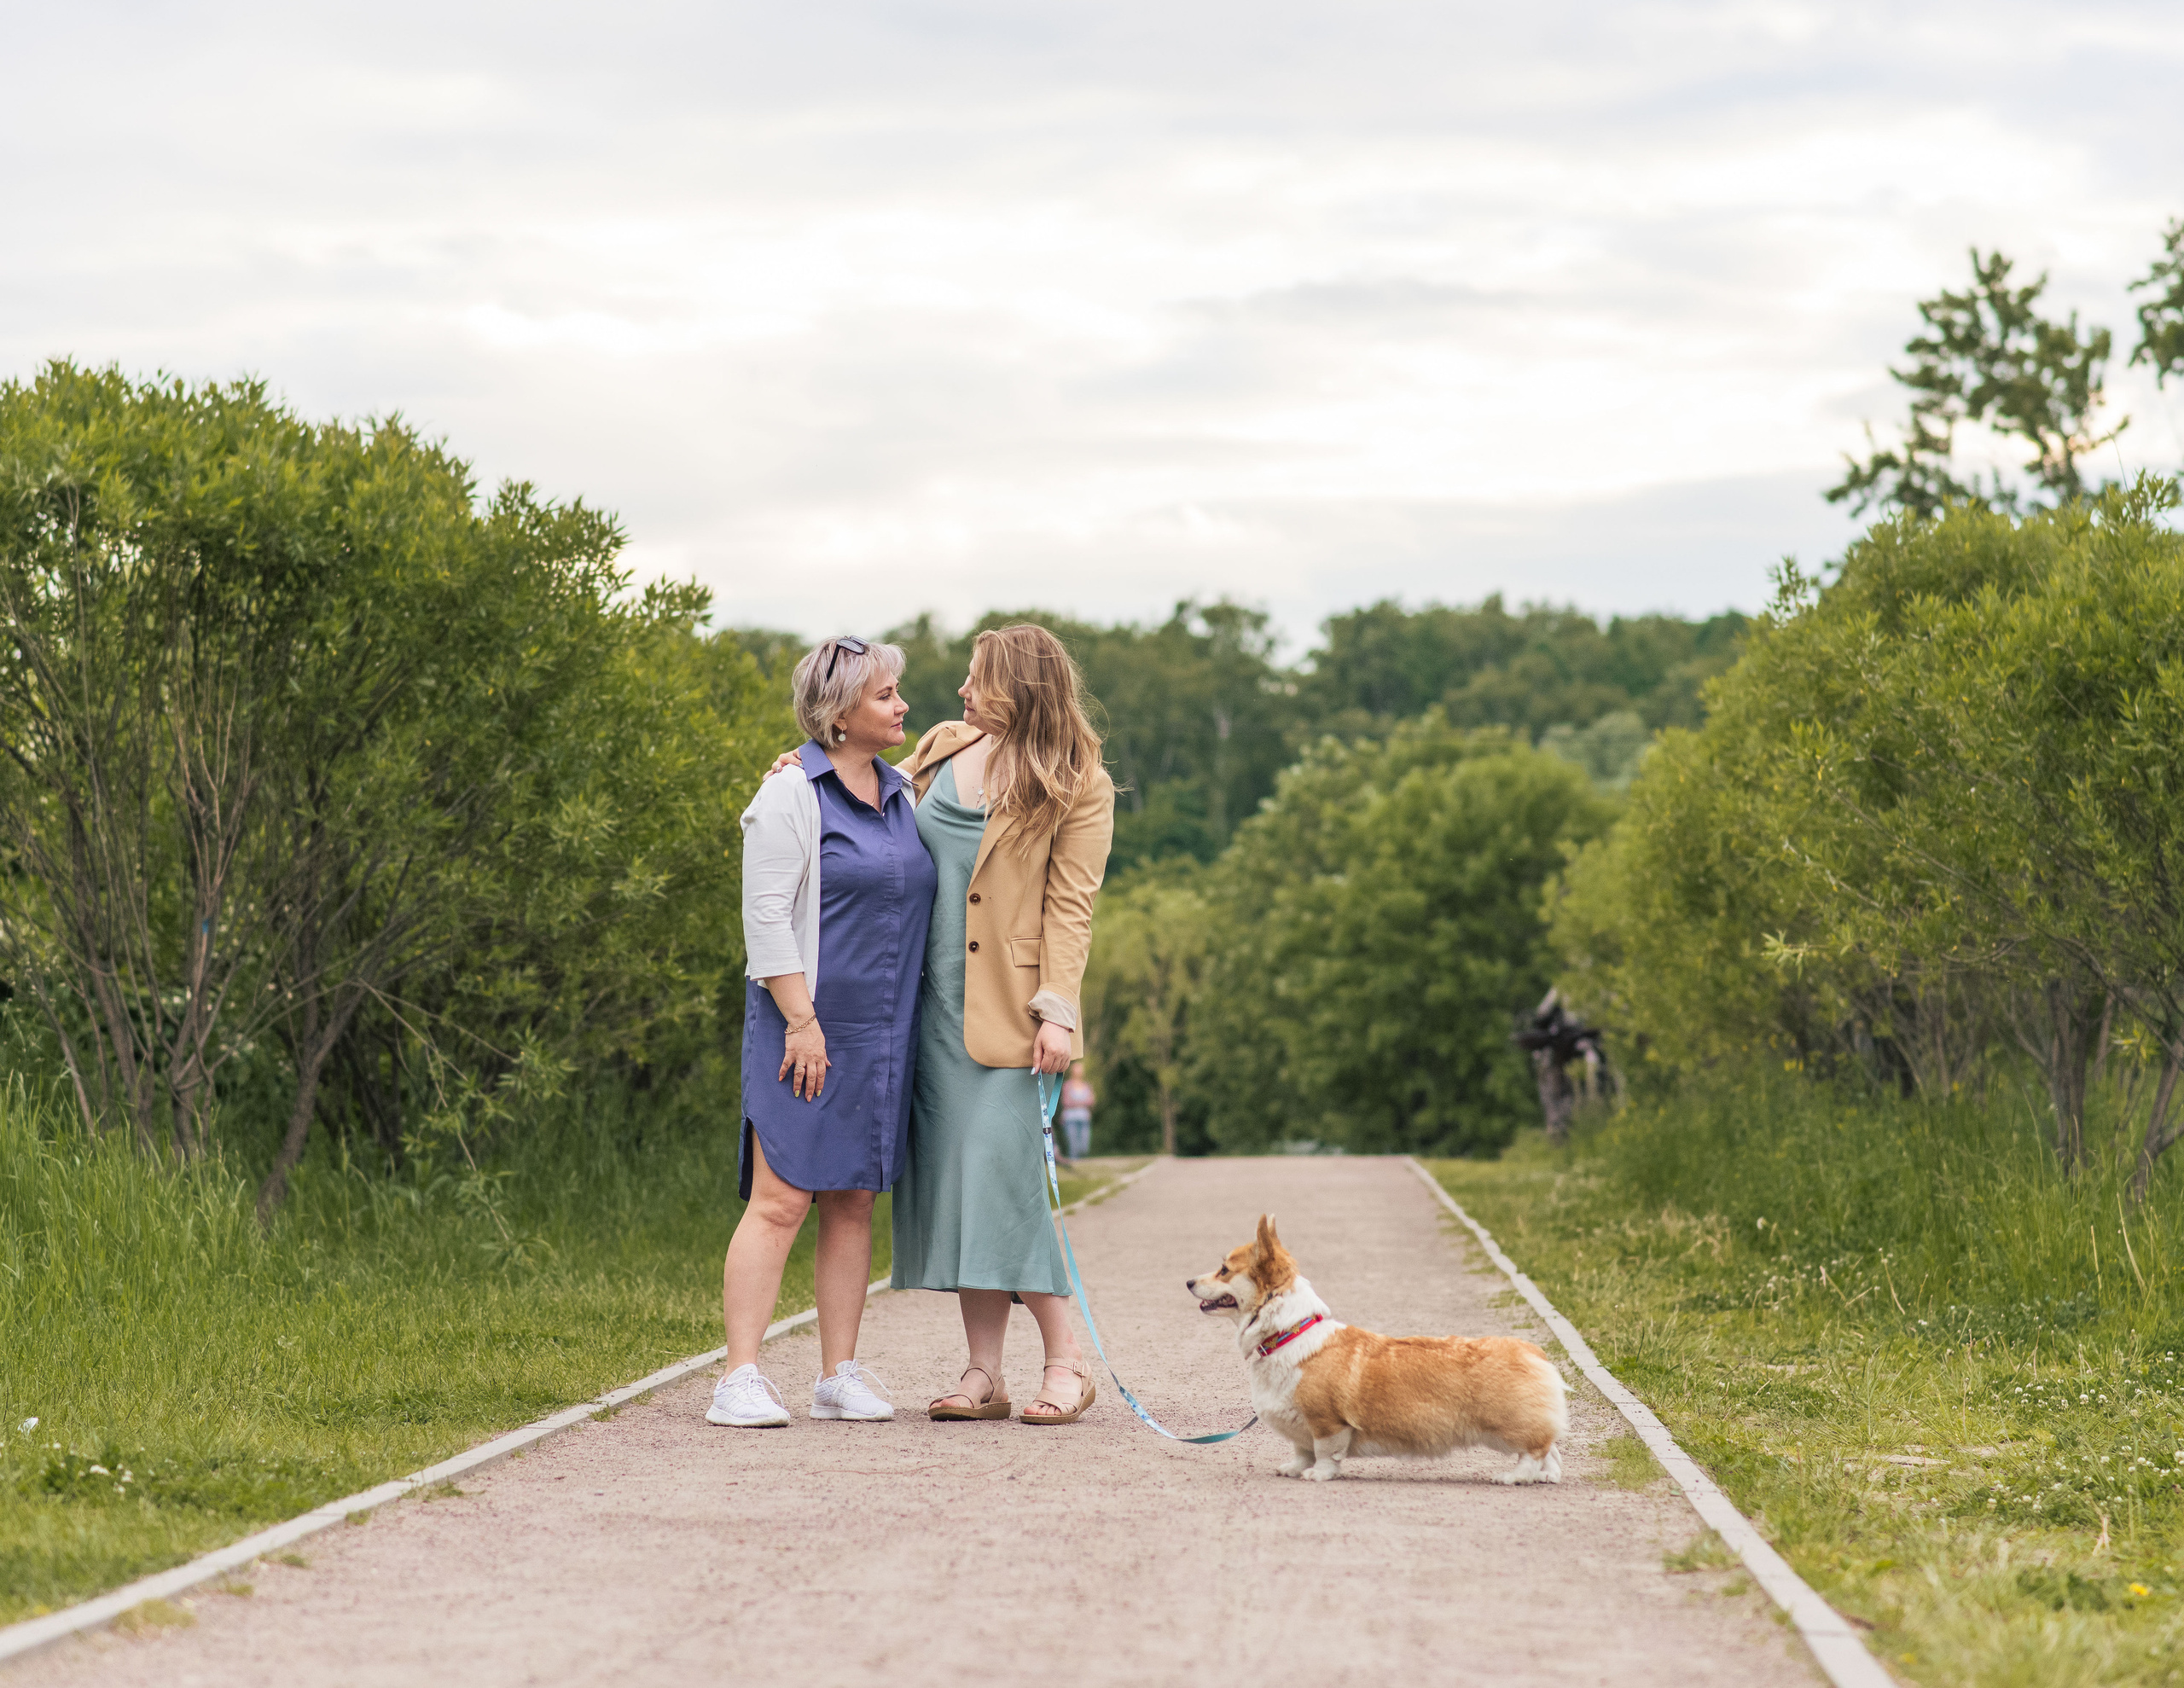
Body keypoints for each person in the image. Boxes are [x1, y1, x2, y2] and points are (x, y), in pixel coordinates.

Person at [709, 636, 938, 1429]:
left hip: (883, 1033)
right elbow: (765, 915)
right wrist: (801, 1022)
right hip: (802, 1027)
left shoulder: (904, 789)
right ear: (840, 714)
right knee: (781, 1200)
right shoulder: (789, 793)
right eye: (885, 695)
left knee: (853, 1200)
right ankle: (738, 1376)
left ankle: (837, 1375)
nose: (902, 705)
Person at [892, 625, 1115, 1424]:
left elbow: (1071, 908)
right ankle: (984, 1371)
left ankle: (1068, 1360)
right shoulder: (941, 747)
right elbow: (863, 794)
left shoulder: (1079, 782)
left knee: (1003, 1181)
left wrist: (1057, 1010)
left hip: (1015, 1016)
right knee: (962, 1186)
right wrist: (799, 768)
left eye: (976, 677)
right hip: (927, 1011)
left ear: (1019, 687)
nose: (960, 690)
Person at [1059, 1061, 1095, 1161]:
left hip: (1084, 1118)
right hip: (1070, 1118)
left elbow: (1091, 1101)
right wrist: (1083, 1102)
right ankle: (1074, 1163)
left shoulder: (1087, 1085)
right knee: (1073, 1144)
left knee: (1084, 1145)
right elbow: (1066, 1102)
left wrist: (1075, 1102)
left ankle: (1080, 1161)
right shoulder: (1067, 1086)